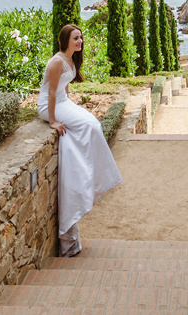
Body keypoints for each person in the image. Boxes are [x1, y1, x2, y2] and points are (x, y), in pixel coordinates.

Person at [38, 24, 122, 257]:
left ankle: (93, 172)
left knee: (93, 125)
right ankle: (92, 174)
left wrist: (73, 108)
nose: (80, 41)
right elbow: (52, 93)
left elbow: (64, 90)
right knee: (91, 126)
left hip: (63, 102)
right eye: (76, 38)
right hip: (49, 106)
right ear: (66, 39)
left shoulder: (72, 59)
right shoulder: (57, 61)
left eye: (81, 38)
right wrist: (53, 121)